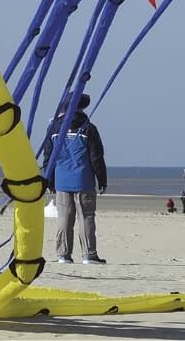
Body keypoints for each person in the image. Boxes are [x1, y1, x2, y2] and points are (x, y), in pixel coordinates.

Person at [51, 94, 109, 265]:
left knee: (64, 217)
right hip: (83, 179)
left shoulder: (54, 128)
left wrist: (48, 180)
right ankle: (89, 254)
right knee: (86, 216)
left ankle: (63, 254)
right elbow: (96, 157)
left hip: (61, 179)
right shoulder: (89, 128)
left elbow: (49, 157)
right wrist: (102, 180)